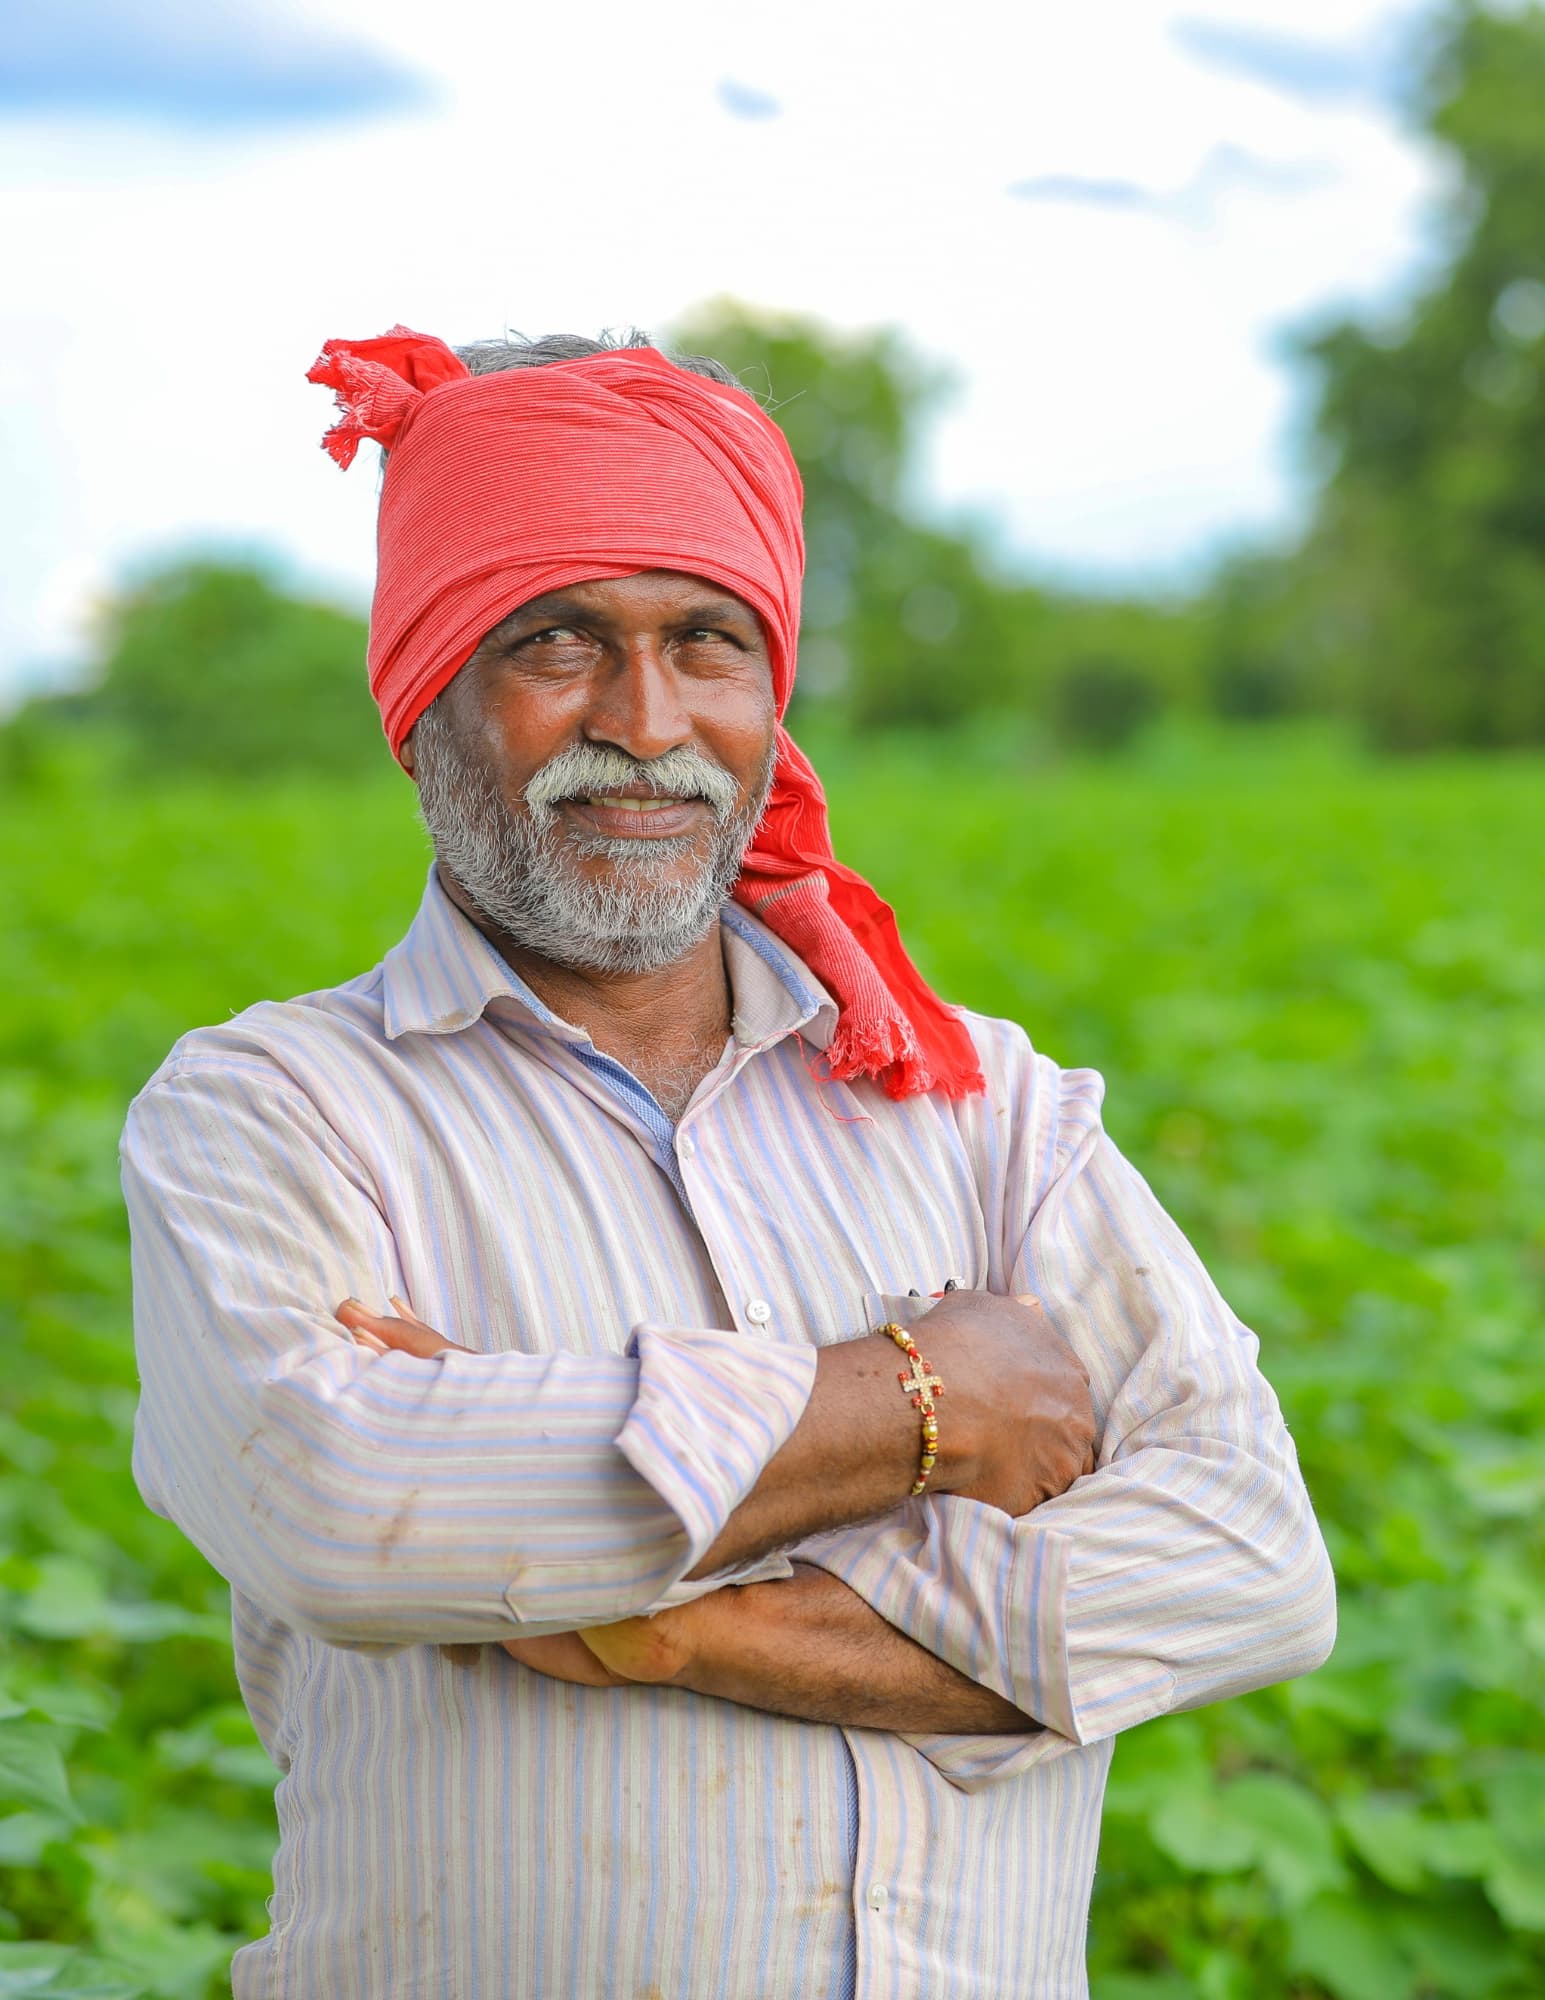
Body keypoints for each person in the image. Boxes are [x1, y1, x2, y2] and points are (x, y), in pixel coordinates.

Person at [121, 325, 1336, 2000]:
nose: (647, 722)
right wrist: (924, 1401)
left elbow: (1247, 1569)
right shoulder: (274, 1110)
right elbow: (347, 1508)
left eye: (706, 642)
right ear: (424, 704)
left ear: (769, 698)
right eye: (555, 643)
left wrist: (673, 1623)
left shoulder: (975, 1100)